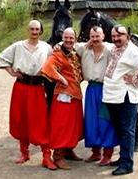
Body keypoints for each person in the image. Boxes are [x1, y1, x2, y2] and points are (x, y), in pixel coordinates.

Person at [0, 20, 57, 170]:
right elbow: (2, 57)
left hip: (38, 87)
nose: (34, 31)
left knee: (41, 121)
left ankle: (46, 156)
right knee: (22, 118)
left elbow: (55, 60)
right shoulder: (18, 46)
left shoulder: (46, 47)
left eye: (37, 29)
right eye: (32, 29)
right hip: (21, 86)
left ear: (41, 31)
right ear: (28, 30)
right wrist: (11, 72)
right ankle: (24, 153)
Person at [103, 25, 138, 176]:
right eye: (114, 36)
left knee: (127, 131)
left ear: (127, 36)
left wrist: (136, 80)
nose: (116, 39)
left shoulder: (133, 51)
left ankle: (127, 164)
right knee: (120, 129)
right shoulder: (113, 48)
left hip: (125, 97)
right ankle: (123, 158)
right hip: (113, 96)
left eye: (120, 36)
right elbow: (99, 42)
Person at [41, 27, 84, 170]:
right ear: (62, 38)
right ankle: (58, 156)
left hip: (75, 95)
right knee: (62, 126)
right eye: (66, 37)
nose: (68, 40)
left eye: (71, 38)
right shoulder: (57, 54)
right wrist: (61, 78)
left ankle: (68, 150)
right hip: (63, 97)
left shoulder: (75, 54)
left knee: (74, 125)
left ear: (75, 39)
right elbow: (47, 68)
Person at [76, 26, 117, 166]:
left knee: (106, 121)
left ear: (103, 36)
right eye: (92, 37)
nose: (95, 39)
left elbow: (125, 50)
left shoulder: (111, 49)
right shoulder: (83, 48)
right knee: (91, 121)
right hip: (91, 89)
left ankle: (107, 154)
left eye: (97, 36)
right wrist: (58, 47)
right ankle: (95, 152)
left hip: (106, 89)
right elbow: (63, 45)